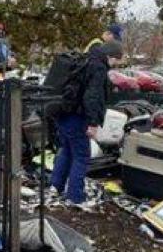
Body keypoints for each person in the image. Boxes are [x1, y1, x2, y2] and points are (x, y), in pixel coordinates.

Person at [51, 41, 123, 208]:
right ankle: (75, 196)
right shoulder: (98, 68)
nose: (115, 65)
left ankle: (56, 186)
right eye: (116, 61)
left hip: (63, 112)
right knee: (82, 156)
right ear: (110, 56)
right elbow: (92, 97)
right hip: (77, 117)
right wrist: (93, 123)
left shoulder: (85, 60)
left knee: (67, 151)